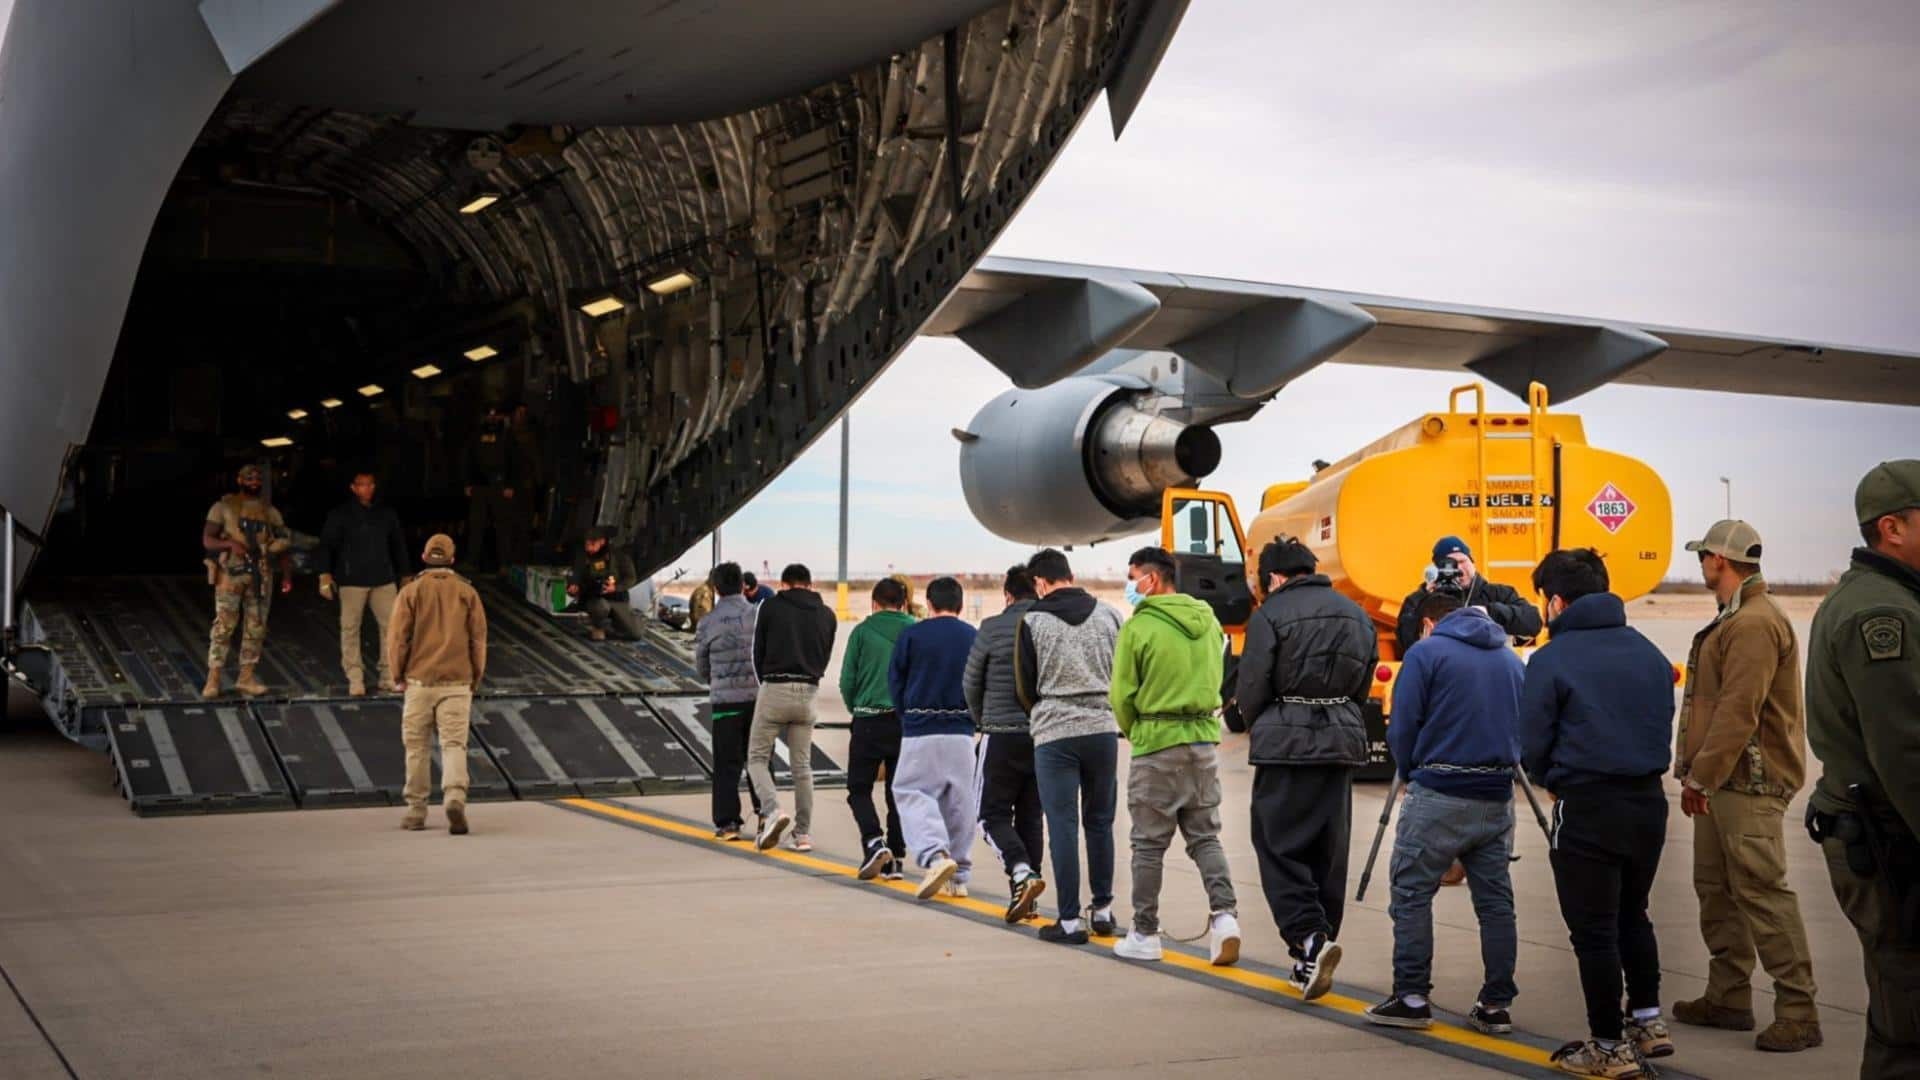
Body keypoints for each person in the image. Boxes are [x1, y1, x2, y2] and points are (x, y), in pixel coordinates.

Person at [1521, 548, 1677, 1078]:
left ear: (1557, 602)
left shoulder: (1552, 659)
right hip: (1648, 804)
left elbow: (1533, 741)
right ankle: (1649, 1022)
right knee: (1634, 911)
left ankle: (1608, 1046)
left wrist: (1549, 778)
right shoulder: (1648, 651)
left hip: (1587, 806)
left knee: (1594, 931)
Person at [1673, 519, 1822, 1052]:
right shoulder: (1736, 616)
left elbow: (1739, 711)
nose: (1701, 566)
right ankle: (1729, 996)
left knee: (1762, 893)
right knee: (1717, 891)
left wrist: (1701, 776)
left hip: (1749, 783)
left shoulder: (1755, 622)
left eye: (1704, 557)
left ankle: (1799, 1011)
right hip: (1724, 783)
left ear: (1721, 560)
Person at [1805, 460, 1920, 1079]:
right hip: (1890, 841)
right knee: (1909, 1021)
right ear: (1893, 528)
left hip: (1882, 833)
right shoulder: (1885, 613)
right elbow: (1906, 750)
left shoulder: (1883, 598)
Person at [1365, 591, 1523, 1034]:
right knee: (1495, 904)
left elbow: (1403, 724)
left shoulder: (1427, 653)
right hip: (1496, 796)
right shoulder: (1509, 660)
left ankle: (1412, 996)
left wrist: (1411, 771)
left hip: (1439, 791)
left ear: (1430, 623)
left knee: (1412, 891)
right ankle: (1495, 1004)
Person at [1237, 537, 1375, 1000]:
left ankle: (1308, 936)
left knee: (1277, 845)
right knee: (1327, 850)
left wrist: (1266, 723)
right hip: (1339, 741)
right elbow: (1363, 681)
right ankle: (1310, 957)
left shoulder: (1270, 615)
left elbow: (1252, 685)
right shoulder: (1355, 613)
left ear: (1274, 577)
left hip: (1287, 745)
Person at [1109, 546, 1241, 966]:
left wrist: (1138, 731)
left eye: (1133, 577)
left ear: (1151, 579)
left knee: (1148, 845)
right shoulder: (1207, 621)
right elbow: (1219, 676)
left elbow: (1121, 695)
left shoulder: (1139, 626)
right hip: (1203, 741)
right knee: (1205, 836)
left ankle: (1145, 932)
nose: (1130, 586)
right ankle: (1225, 919)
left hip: (1157, 741)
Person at [1015, 548, 1124, 945]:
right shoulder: (1110, 614)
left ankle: (1069, 920)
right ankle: (1104, 909)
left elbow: (1025, 685)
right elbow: (1123, 672)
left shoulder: (1034, 620)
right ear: (1071, 574)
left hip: (1055, 734)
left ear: (1040, 583)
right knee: (1100, 821)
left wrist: (1047, 709)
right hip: (1102, 730)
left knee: (1062, 826)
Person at [386, 533, 487, 835]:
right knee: (454, 744)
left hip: (419, 681)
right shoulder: (468, 593)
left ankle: (416, 812)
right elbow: (478, 640)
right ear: (453, 560)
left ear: (424, 558)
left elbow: (397, 639)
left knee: (416, 747)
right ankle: (455, 797)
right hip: (457, 681)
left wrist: (397, 675)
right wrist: (475, 677)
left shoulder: (411, 592)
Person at [887, 576, 980, 899]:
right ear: (961, 604)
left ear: (929, 603)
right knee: (959, 802)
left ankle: (934, 854)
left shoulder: (912, 634)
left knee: (910, 790)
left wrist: (907, 716)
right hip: (962, 732)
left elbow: (895, 682)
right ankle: (960, 875)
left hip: (920, 727)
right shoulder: (973, 636)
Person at [965, 565, 1048, 923]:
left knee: (989, 814)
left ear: (1007, 595)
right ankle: (1029, 896)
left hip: (1000, 734)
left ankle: (1020, 872)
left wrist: (980, 719)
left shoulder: (991, 627)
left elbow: (971, 682)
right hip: (1042, 736)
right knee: (1031, 816)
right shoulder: (1049, 626)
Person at [746, 563, 837, 852]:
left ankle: (773, 811)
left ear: (784, 584)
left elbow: (757, 652)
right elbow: (825, 654)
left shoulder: (770, 607)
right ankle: (803, 834)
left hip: (775, 687)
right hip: (809, 691)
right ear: (810, 585)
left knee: (757, 758)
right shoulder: (827, 614)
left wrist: (767, 684)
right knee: (802, 767)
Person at [839, 577, 915, 879]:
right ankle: (896, 857)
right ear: (904, 603)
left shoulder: (862, 632)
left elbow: (847, 680)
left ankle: (873, 841)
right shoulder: (914, 631)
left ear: (874, 603)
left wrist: (856, 708)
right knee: (898, 791)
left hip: (868, 719)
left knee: (858, 788)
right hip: (903, 722)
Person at [201, 463, 293, 699]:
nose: (254, 482)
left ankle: (246, 677)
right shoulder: (223, 507)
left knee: (256, 626)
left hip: (260, 575)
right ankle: (213, 679)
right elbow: (208, 540)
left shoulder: (269, 511)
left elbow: (284, 543)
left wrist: (287, 575)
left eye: (257, 479)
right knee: (223, 625)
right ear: (240, 480)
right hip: (231, 574)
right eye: (249, 478)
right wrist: (230, 544)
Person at [317, 471, 411, 696]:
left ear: (374, 487)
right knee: (350, 629)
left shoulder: (386, 513)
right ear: (353, 487)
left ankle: (389, 676)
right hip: (351, 580)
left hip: (383, 579)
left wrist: (406, 574)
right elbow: (326, 545)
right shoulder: (340, 514)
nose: (366, 489)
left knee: (392, 629)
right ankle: (355, 679)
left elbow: (398, 544)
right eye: (361, 485)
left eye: (370, 485)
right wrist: (324, 575)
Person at [694, 562, 761, 841]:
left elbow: (701, 665)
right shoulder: (759, 615)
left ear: (716, 588)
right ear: (743, 585)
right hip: (759, 700)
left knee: (726, 762)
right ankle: (766, 815)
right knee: (759, 759)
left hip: (725, 702)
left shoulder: (708, 621)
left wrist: (717, 682)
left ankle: (728, 822)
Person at [1394, 535, 1544, 656]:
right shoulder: (1419, 600)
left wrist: (1489, 612)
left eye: (1462, 561)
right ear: (1436, 569)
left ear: (1472, 562)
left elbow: (1533, 621)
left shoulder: (1498, 594)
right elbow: (1405, 641)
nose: (1458, 568)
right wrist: (1426, 596)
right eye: (1450, 564)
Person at [462, 403, 527, 572]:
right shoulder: (476, 434)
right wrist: (468, 483)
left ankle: (505, 564)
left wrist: (511, 485)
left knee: (503, 528)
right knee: (476, 526)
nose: (492, 418)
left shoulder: (507, 435)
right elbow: (468, 459)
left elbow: (515, 462)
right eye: (488, 415)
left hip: (500, 487)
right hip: (479, 486)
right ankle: (472, 562)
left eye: (495, 415)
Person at [568, 528, 643, 641]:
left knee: (635, 634)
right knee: (600, 607)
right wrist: (573, 586)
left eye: (593, 544)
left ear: (602, 542)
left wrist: (616, 587)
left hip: (617, 598)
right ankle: (597, 627)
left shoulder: (619, 557)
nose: (589, 548)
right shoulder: (583, 557)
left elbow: (631, 578)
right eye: (587, 544)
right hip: (595, 599)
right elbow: (575, 575)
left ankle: (615, 626)